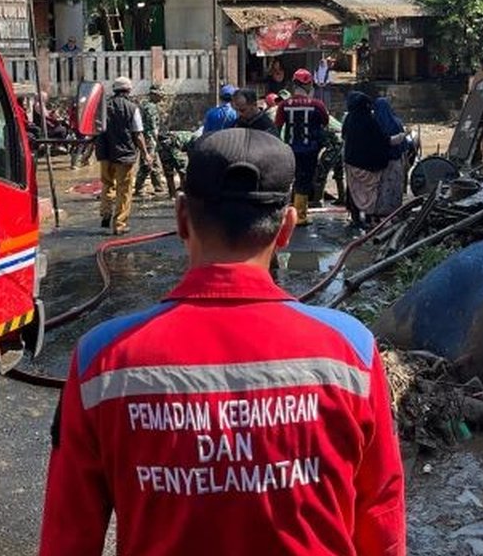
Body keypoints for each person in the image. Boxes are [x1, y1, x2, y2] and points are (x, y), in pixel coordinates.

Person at [39, 129, 406, 556]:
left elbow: (68, 536)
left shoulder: (101, 360)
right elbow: (381, 516)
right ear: (286, 227)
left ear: (180, 218)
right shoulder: (351, 354)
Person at [96, 77, 150, 235]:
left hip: (105, 153)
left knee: (107, 183)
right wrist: (146, 154)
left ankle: (106, 213)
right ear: (129, 90)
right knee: (124, 190)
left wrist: (88, 153)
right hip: (124, 155)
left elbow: (96, 129)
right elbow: (138, 134)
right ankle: (119, 224)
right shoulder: (132, 108)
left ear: (114, 89)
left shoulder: (103, 107)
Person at [274, 68, 330, 225]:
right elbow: (325, 123)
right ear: (309, 85)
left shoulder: (284, 106)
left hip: (290, 149)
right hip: (310, 150)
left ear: (294, 85)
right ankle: (300, 217)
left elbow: (277, 127)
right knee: (304, 181)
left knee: (289, 180)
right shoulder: (317, 105)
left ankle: (286, 212)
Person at [341, 91, 391, 229]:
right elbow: (381, 140)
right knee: (370, 191)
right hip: (370, 164)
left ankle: (355, 217)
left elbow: (344, 136)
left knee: (353, 189)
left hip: (352, 162)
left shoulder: (349, 119)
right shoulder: (371, 121)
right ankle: (369, 217)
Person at [373, 97, 409, 218]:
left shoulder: (373, 123)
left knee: (379, 187)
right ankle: (393, 212)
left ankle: (377, 211)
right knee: (393, 188)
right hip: (395, 162)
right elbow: (404, 146)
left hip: (377, 162)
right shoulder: (397, 123)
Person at [133, 85, 167, 198]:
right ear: (154, 94)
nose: (161, 97)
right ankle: (139, 188)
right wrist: (156, 140)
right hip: (149, 139)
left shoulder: (144, 104)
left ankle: (158, 186)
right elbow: (153, 127)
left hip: (147, 138)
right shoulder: (150, 107)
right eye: (159, 94)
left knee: (155, 163)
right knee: (147, 164)